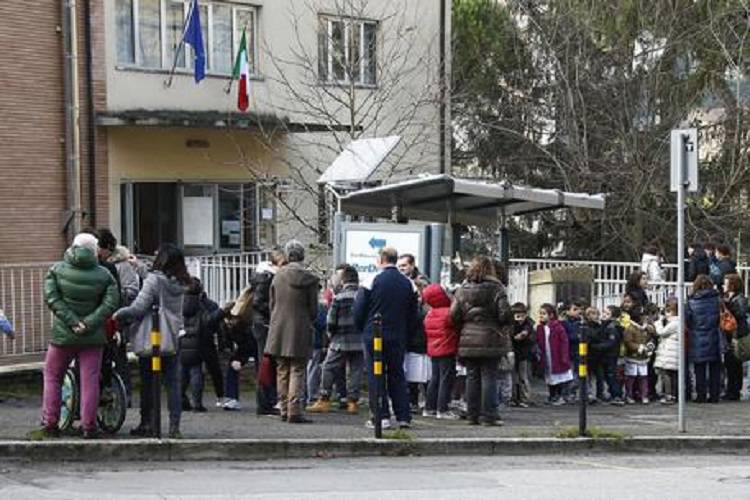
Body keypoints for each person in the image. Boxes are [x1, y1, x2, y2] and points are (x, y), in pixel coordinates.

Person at [30, 233, 119, 440]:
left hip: (63, 335)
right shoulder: (104, 275)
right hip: (93, 337)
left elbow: (51, 298)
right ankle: (89, 425)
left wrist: (72, 321)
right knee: (90, 380)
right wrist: (88, 323)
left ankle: (50, 423)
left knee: (53, 376)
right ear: (94, 250)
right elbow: (110, 304)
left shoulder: (57, 270)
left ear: (73, 247)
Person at [114, 243, 189, 438]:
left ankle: (147, 423)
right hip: (173, 336)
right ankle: (174, 427)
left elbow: (138, 308)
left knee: (148, 382)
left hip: (153, 337)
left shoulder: (155, 280)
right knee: (173, 383)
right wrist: (138, 265)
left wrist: (117, 315)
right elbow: (157, 282)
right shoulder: (181, 282)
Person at [355, 247, 418, 430]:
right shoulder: (408, 284)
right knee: (397, 374)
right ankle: (403, 416)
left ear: (381, 259)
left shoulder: (371, 280)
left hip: (374, 334)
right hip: (398, 336)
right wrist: (407, 333)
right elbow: (413, 314)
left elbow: (359, 310)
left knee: (377, 375)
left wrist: (363, 329)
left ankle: (380, 416)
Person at [451, 256, 511, 426]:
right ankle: (489, 416)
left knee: (472, 377)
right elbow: (505, 314)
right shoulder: (497, 288)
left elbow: (453, 315)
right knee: (489, 376)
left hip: (468, 338)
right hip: (491, 337)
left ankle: (472, 415)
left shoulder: (463, 289)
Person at [265, 241, 319, 424]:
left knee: (282, 370)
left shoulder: (277, 277)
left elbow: (272, 304)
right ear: (303, 256)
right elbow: (314, 310)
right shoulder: (310, 279)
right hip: (300, 328)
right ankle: (294, 411)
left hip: (279, 328)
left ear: (288, 256)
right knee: (297, 369)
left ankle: (283, 407)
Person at [308, 265, 364, 415]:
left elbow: (331, 321)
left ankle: (324, 399)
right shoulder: (363, 296)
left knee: (328, 367)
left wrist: (330, 335)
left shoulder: (339, 297)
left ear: (344, 279)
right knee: (355, 371)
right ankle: (353, 402)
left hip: (340, 340)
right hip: (359, 340)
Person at [179, 277, 226, 412]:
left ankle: (179, 399)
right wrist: (222, 312)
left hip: (182, 341)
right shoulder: (203, 305)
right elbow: (208, 322)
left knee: (182, 372)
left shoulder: (179, 303)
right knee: (196, 372)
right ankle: (197, 403)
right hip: (199, 342)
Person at [248, 252, 285, 415]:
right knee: (265, 364)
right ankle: (265, 403)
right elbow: (259, 302)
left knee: (265, 364)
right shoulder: (266, 278)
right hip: (264, 324)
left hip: (261, 324)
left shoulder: (261, 276)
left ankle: (266, 402)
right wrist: (273, 312)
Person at [398, 253, 430, 414]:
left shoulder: (421, 282)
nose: (401, 269)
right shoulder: (402, 281)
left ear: (412, 265)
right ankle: (413, 401)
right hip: (409, 335)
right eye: (399, 266)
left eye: (404, 266)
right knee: (411, 371)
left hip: (419, 335)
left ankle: (424, 402)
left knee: (423, 373)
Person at [422, 283, 459, 419]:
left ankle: (429, 407)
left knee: (435, 378)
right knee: (446, 379)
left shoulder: (430, 314)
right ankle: (442, 409)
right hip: (447, 349)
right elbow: (456, 326)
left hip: (434, 350)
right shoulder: (448, 313)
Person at [687, 274, 723, 403]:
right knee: (715, 368)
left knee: (699, 368)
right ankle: (714, 395)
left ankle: (701, 395)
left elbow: (688, 320)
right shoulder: (717, 299)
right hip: (714, 335)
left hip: (697, 336)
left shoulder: (691, 301)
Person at [536, 303, 572, 406]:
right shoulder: (540, 328)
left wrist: (564, 356)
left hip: (557, 356)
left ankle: (559, 396)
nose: (541, 316)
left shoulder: (558, 327)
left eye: (544, 314)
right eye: (540, 313)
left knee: (558, 377)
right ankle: (552, 396)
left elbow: (564, 342)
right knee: (549, 377)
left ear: (551, 315)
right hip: (546, 356)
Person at [622, 301, 654, 404]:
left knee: (644, 377)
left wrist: (650, 345)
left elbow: (650, 338)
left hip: (643, 357)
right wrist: (638, 347)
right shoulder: (630, 328)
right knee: (631, 377)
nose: (645, 318)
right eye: (643, 316)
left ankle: (644, 395)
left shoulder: (647, 328)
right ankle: (629, 395)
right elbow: (628, 342)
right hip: (633, 356)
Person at [723, 273, 747, 401]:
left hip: (737, 334)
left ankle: (734, 390)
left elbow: (741, 313)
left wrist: (729, 308)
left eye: (725, 283)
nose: (723, 286)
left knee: (734, 363)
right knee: (731, 363)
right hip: (731, 334)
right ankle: (732, 389)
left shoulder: (739, 298)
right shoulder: (730, 298)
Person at [654, 298, 679, 404]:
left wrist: (658, 322)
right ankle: (672, 395)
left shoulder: (675, 322)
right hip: (671, 352)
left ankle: (669, 395)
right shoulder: (676, 322)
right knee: (671, 374)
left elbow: (662, 332)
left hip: (670, 353)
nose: (666, 314)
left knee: (666, 374)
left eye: (669, 312)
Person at [510, 303, 535, 408]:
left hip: (524, 354)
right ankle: (514, 398)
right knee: (513, 377)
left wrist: (524, 335)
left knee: (523, 377)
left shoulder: (528, 325)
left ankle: (525, 398)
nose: (519, 319)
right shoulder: (512, 324)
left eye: (522, 316)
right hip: (514, 352)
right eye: (517, 316)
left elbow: (529, 335)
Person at [598, 305, 625, 405]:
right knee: (609, 375)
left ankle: (616, 395)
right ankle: (613, 393)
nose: (604, 315)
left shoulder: (612, 327)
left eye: (607, 313)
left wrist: (598, 346)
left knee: (611, 375)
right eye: (604, 312)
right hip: (607, 355)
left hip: (611, 355)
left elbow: (611, 342)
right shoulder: (605, 325)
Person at [562, 301, 583, 400]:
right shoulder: (564, 323)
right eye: (574, 309)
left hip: (580, 352)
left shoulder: (581, 322)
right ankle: (567, 393)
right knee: (570, 374)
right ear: (567, 311)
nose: (578, 312)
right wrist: (577, 337)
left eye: (579, 309)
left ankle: (573, 392)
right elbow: (566, 337)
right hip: (569, 351)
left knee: (579, 375)